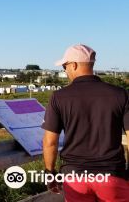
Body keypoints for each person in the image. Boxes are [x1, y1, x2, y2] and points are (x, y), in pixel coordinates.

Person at [42, 44, 129, 201]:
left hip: (75, 177)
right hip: (112, 175)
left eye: (64, 66)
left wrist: (50, 173)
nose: (65, 70)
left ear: (74, 65)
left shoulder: (59, 97)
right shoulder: (121, 94)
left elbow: (50, 142)